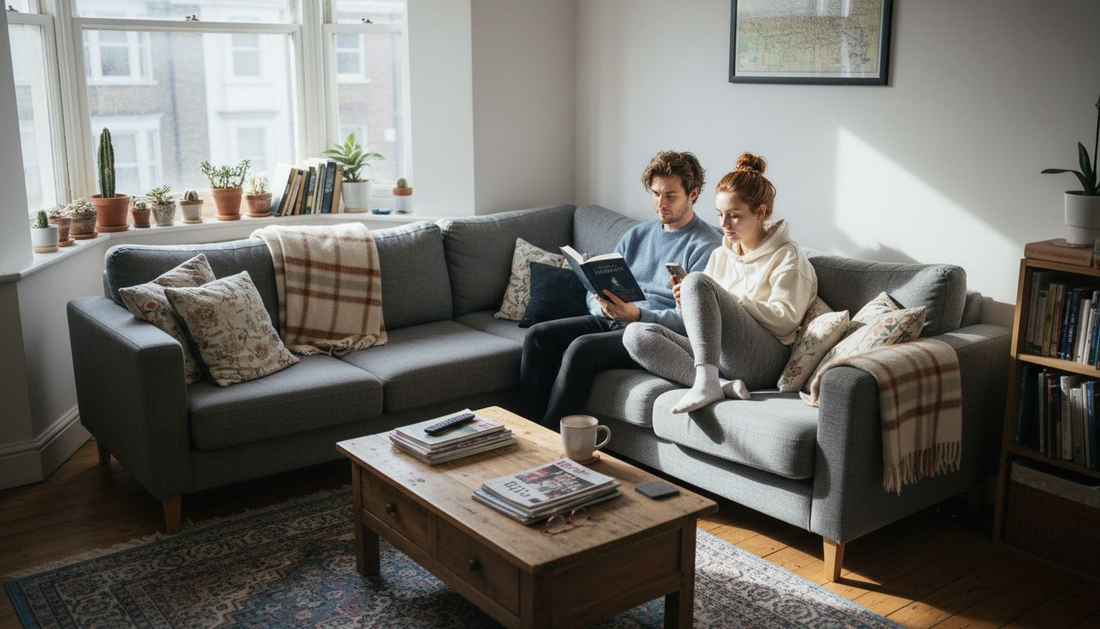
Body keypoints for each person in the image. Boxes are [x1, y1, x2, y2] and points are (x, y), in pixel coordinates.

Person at [520, 151, 723, 427]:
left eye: (670, 196)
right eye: (655, 193)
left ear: (694, 194)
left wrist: (637, 315)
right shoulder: (637, 235)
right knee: (538, 336)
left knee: (582, 349)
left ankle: (553, 438)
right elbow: (593, 290)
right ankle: (529, 431)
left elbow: (696, 324)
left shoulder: (706, 247)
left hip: (651, 334)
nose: (660, 203)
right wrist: (601, 304)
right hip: (614, 319)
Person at [622, 152, 817, 414]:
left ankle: (706, 382)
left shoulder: (787, 255)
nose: (723, 224)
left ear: (760, 212)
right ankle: (719, 384)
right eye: (719, 214)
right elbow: (701, 324)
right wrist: (685, 304)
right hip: (720, 355)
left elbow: (786, 319)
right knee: (635, 335)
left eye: (734, 215)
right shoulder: (721, 253)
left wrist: (724, 299)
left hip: (766, 358)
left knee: (697, 282)